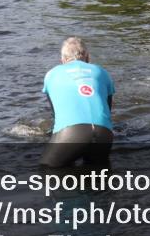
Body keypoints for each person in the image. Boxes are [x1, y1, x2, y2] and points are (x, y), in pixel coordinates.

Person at [40, 37, 115, 168]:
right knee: (99, 174)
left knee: (47, 170)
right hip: (104, 134)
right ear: (88, 57)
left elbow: (56, 116)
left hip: (71, 134)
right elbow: (108, 111)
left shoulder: (52, 74)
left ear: (62, 59)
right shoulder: (102, 72)